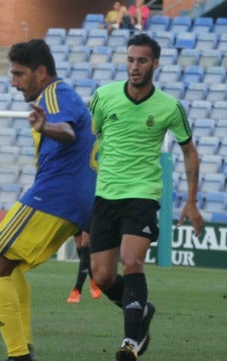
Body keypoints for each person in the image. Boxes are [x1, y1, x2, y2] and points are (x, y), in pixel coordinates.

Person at [88, 33, 204, 361]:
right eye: (130, 60)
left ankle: (130, 342)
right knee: (103, 276)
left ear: (155, 63)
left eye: (141, 61)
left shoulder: (169, 107)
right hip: (105, 195)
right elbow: (90, 144)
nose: (134, 67)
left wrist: (191, 200)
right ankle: (142, 310)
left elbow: (189, 152)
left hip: (142, 194)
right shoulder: (103, 96)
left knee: (132, 259)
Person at [0, 39, 96, 361]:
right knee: (7, 267)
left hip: (55, 195)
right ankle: (24, 349)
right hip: (71, 198)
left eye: (19, 74)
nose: (14, 82)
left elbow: (68, 132)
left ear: (41, 72)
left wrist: (47, 126)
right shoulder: (58, 95)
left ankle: (19, 355)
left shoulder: (55, 94)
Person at [65, 229, 102, 303]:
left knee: (86, 241)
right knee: (79, 245)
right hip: (78, 217)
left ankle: (77, 289)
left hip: (89, 217)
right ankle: (93, 278)